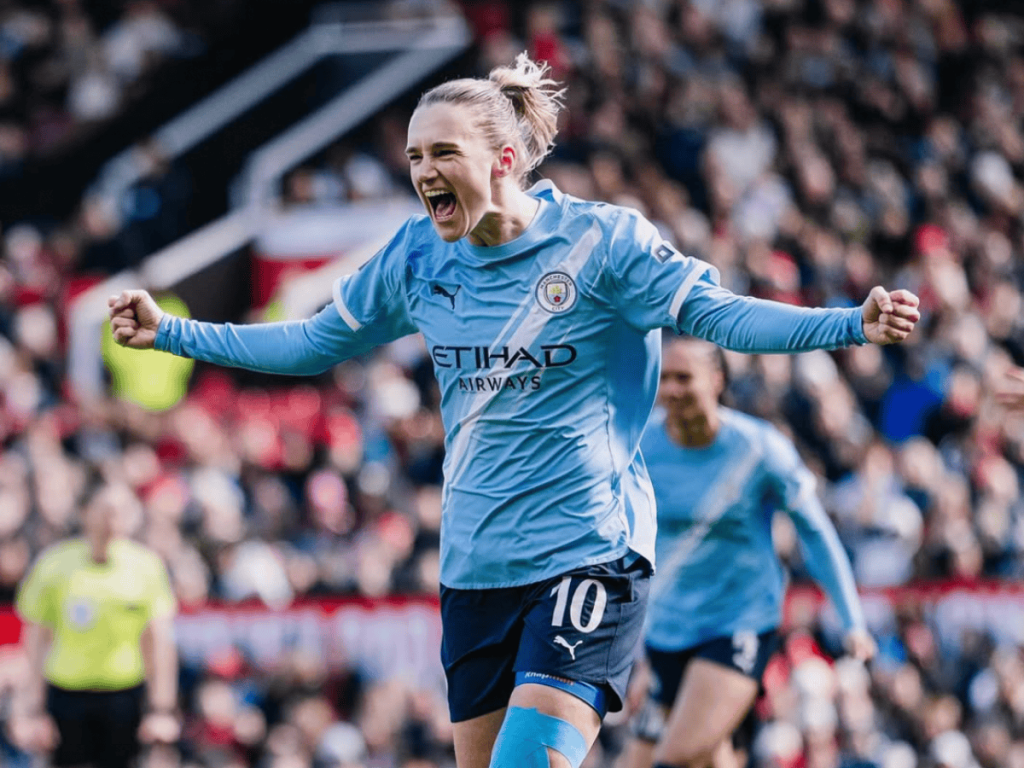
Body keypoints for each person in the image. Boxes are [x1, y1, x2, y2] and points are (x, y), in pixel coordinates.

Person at [107, 53, 919, 768]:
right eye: (415, 156)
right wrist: (174, 333)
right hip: (475, 568)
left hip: (588, 556)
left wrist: (848, 322)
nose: (423, 171)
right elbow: (311, 345)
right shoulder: (416, 254)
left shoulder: (603, 246)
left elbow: (721, 315)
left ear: (501, 160)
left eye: (442, 153)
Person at [615, 337, 875, 768]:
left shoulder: (760, 449)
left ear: (717, 380)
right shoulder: (641, 448)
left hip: (738, 625)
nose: (671, 390)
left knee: (675, 758)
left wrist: (852, 621)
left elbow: (815, 532)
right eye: (664, 378)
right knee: (698, 759)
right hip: (667, 631)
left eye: (684, 378)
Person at [9, 482, 180, 768]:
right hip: (66, 694)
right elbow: (37, 640)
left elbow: (159, 642)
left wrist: (161, 708)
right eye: (106, 510)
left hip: (124, 695)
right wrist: (33, 708)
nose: (113, 519)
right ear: (86, 512)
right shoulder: (54, 564)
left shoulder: (146, 567)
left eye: (122, 511)